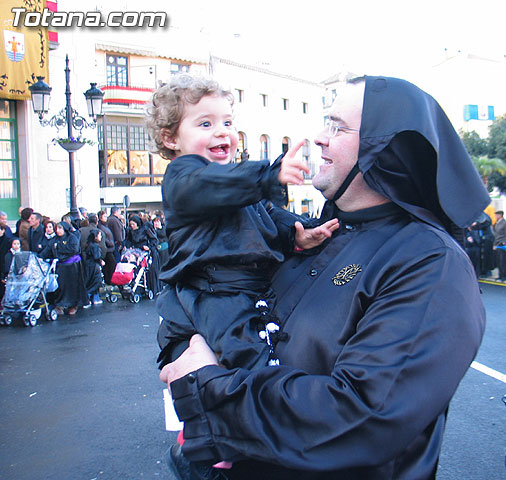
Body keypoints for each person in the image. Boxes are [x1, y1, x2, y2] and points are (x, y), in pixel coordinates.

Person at [159, 75, 489, 479]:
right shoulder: (318, 234)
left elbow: (363, 419)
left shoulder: (429, 261)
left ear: (383, 147)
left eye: (337, 126)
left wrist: (207, 389)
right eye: (325, 123)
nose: (319, 137)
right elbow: (201, 303)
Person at [146, 74, 337, 371]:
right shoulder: (184, 177)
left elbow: (268, 215)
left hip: (251, 291)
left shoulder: (235, 182)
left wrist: (298, 233)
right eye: (205, 124)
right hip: (214, 294)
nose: (222, 132)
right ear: (171, 138)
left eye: (227, 123)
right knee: (250, 360)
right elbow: (210, 184)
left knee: (280, 345)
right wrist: (268, 174)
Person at [46, 221, 88, 315]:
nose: (58, 231)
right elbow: (48, 250)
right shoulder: (54, 239)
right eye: (56, 228)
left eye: (60, 228)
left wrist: (59, 248)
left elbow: (74, 249)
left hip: (72, 266)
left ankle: (73, 305)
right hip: (60, 266)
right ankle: (60, 305)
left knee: (72, 286)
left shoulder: (72, 238)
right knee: (60, 286)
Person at [82, 229, 105, 307]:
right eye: (99, 235)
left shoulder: (89, 244)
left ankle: (95, 298)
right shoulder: (95, 246)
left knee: (91, 281)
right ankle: (87, 299)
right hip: (94, 266)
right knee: (96, 282)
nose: (101, 237)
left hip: (88, 265)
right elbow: (96, 256)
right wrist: (100, 260)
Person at [97, 211, 116, 284]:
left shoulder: (105, 226)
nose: (106, 218)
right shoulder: (101, 227)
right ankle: (109, 280)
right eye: (104, 216)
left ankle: (109, 279)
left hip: (110, 248)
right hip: (107, 249)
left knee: (110, 265)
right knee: (111, 264)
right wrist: (110, 243)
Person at [493, 210, 506, 281]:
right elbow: (496, 235)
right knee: (499, 261)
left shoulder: (505, 223)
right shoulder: (497, 223)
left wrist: (504, 241)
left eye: (496, 215)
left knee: (503, 261)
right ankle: (500, 275)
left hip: (502, 244)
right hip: (497, 244)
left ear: (500, 215)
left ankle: (505, 276)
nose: (495, 217)